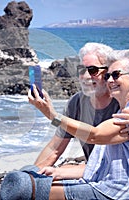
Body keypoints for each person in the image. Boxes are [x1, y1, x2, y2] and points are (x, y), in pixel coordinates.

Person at [28, 49, 129, 199]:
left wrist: (52, 115)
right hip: (106, 181)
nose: (110, 80)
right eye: (108, 76)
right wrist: (41, 173)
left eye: (115, 75)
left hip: (127, 192)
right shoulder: (88, 103)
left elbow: (95, 135)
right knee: (25, 183)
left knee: (29, 191)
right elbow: (98, 162)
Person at [35, 42, 119, 171]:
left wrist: (52, 115)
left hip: (115, 176)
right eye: (81, 70)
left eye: (93, 70)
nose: (85, 76)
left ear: (108, 73)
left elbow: (94, 136)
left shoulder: (120, 103)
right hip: (91, 172)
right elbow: (55, 148)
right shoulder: (76, 102)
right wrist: (31, 173)